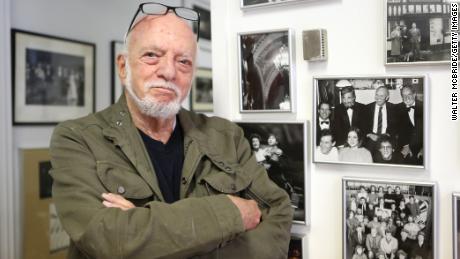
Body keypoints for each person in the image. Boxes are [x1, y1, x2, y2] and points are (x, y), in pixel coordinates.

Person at [49, 4, 293, 258]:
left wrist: (144, 232)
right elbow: (109, 240)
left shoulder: (226, 137)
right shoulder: (77, 139)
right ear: (123, 67)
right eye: (152, 55)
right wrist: (231, 213)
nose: (168, 71)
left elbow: (278, 213)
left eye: (183, 61)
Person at [364, 86, 398, 155]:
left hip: (387, 137)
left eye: (381, 96)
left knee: (391, 155)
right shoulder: (367, 108)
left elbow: (396, 126)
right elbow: (362, 126)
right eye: (377, 94)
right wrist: (369, 134)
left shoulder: (393, 108)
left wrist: (388, 134)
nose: (378, 98)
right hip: (372, 138)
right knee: (368, 155)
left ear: (387, 97)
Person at [396, 85, 423, 165]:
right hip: (405, 142)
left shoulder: (424, 106)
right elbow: (399, 130)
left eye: (409, 94)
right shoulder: (398, 108)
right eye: (404, 95)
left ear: (414, 94)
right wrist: (406, 145)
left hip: (422, 143)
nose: (406, 97)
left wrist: (425, 147)